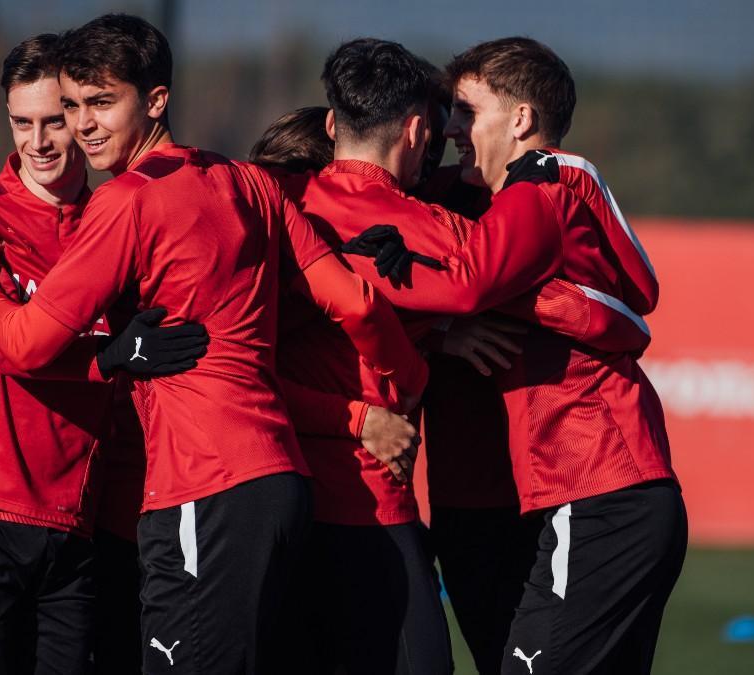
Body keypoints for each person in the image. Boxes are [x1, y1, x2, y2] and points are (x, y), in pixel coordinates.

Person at [0, 15, 428, 675]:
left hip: (202, 485)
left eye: (102, 102)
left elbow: (23, 343)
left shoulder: (125, 202)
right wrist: (407, 383)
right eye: (72, 105)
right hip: (282, 483)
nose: (83, 124)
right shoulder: (249, 182)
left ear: (156, 100)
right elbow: (355, 302)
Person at [257, 39, 655, 674]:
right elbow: (623, 305)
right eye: (450, 122)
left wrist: (441, 321)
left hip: (309, 501)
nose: (457, 132)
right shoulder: (428, 210)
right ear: (418, 130)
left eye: (468, 116)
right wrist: (438, 325)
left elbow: (630, 305)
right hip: (386, 503)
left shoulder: (268, 200)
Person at [0, 34, 206, 675]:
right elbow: (11, 346)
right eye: (22, 122)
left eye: (56, 119)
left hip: (77, 519)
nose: (39, 141)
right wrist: (110, 357)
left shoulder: (117, 217)